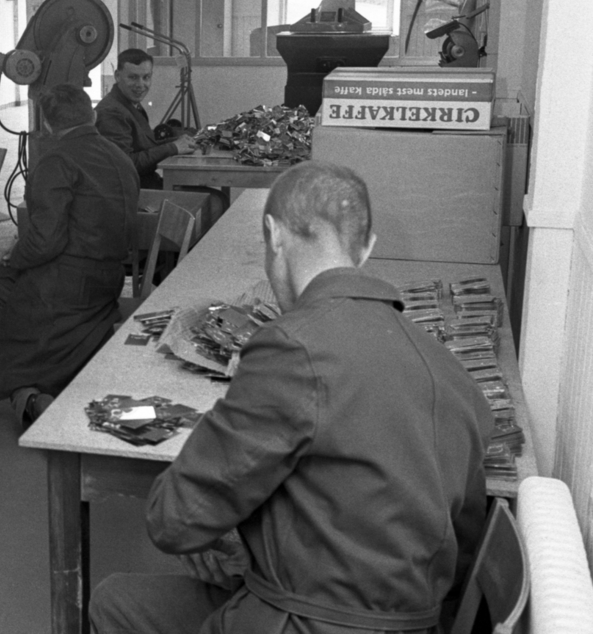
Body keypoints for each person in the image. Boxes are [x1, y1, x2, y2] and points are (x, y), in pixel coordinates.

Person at [90, 160, 494, 634]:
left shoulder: (290, 347)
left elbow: (175, 520)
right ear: (366, 247)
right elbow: (459, 544)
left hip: (303, 623)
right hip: (415, 624)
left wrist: (225, 534)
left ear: (274, 235)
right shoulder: (450, 371)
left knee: (114, 602)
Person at [0, 83, 140, 427]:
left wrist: (13, 258)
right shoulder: (119, 156)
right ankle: (2, 388)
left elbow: (45, 242)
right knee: (2, 278)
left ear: (46, 124)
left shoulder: (56, 161)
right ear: (92, 115)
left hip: (68, 286)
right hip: (110, 279)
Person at [95, 48, 197, 190]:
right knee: (215, 199)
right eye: (133, 77)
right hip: (131, 192)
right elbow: (126, 164)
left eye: (146, 77)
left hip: (143, 183)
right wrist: (173, 148)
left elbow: (144, 147)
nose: (140, 85)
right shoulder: (111, 112)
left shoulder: (129, 104)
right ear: (117, 76)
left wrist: (179, 141)